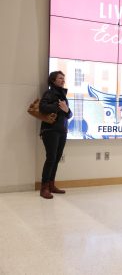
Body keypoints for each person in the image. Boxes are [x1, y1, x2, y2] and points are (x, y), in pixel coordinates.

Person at [39, 71, 73, 199]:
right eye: (60, 78)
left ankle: (51, 185)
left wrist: (66, 110)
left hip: (62, 131)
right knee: (51, 158)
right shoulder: (49, 93)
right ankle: (44, 188)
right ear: (53, 80)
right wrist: (59, 107)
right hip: (50, 131)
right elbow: (43, 107)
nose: (63, 80)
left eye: (63, 78)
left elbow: (69, 115)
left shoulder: (63, 95)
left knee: (56, 158)